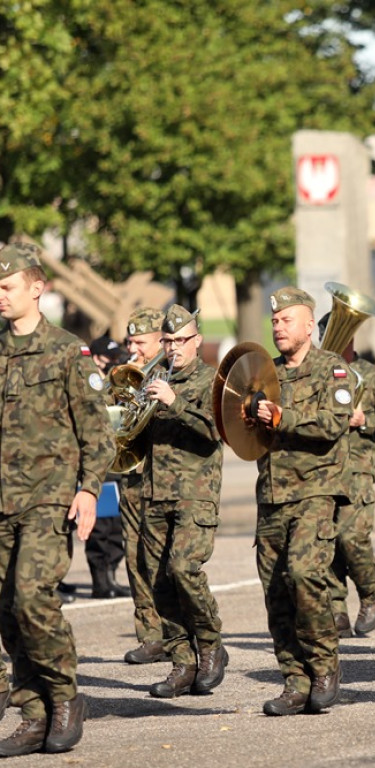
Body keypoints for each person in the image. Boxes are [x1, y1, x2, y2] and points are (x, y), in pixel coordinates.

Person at [0, 242, 116, 756]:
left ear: (37, 288)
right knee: (7, 610)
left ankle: (66, 696)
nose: (0, 296)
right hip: (1, 502)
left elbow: (98, 433)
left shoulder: (69, 351)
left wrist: (89, 489)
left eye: (7, 287)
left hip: (47, 499)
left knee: (32, 596)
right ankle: (32, 712)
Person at [254, 288, 351, 716]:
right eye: (274, 321)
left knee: (304, 573)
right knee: (276, 592)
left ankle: (324, 665)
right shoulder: (264, 374)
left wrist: (282, 417)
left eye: (286, 320)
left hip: (315, 490)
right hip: (272, 495)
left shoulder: (333, 369)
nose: (278, 327)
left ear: (309, 325)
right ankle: (294, 680)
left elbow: (334, 424)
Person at [141, 305, 228, 698]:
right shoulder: (154, 378)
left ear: (197, 341)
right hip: (155, 492)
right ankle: (182, 661)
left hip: (195, 494)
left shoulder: (215, 381)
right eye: (168, 341)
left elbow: (214, 431)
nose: (174, 348)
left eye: (181, 341)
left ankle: (210, 645)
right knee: (159, 582)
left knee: (183, 569)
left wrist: (174, 402)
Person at [117, 307, 171, 664]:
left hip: (165, 479)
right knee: (135, 557)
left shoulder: (175, 374)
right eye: (131, 341)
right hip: (132, 476)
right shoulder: (130, 374)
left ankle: (179, 633)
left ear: (161, 341)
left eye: (142, 342)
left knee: (164, 560)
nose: (135, 349)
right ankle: (150, 635)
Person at [329, 343, 375, 639]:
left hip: (358, 471)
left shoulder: (372, 377)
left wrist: (365, 422)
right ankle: (336, 611)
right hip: (324, 472)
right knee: (325, 544)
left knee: (351, 538)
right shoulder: (322, 373)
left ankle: (371, 593)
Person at [87, 334, 132, 599]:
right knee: (100, 526)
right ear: (96, 358)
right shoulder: (90, 384)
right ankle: (99, 580)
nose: (115, 363)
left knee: (115, 527)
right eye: (110, 359)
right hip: (98, 467)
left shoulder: (115, 382)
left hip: (117, 464)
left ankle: (111, 576)